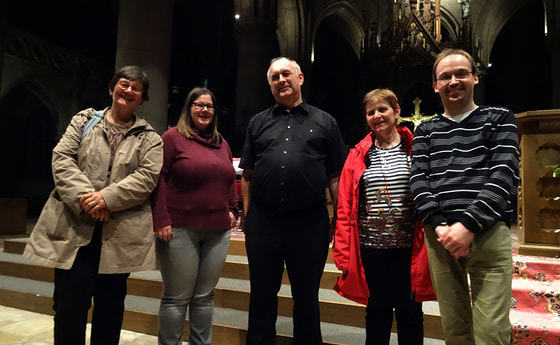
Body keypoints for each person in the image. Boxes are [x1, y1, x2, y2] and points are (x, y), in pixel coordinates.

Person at [23, 65, 164, 345]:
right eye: (124, 84)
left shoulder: (150, 138)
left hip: (118, 235)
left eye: (137, 88)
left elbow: (147, 178)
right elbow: (62, 158)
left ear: (143, 99)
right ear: (112, 88)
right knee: (68, 308)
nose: (129, 91)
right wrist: (88, 199)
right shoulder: (83, 120)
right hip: (74, 229)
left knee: (110, 311)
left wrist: (106, 198)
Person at [410, 48, 519, 345]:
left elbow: (504, 176)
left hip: (487, 231)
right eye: (445, 76)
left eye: (461, 74)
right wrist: (442, 227)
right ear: (435, 85)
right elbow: (419, 181)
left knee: (491, 332)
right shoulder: (426, 130)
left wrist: (468, 226)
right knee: (455, 330)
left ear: (475, 77)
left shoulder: (499, 118)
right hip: (440, 235)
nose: (453, 81)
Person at [239, 57, 347, 345]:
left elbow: (336, 174)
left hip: (309, 222)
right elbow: (247, 174)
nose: (280, 80)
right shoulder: (257, 122)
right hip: (264, 221)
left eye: (286, 74)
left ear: (300, 78)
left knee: (307, 298)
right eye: (274, 77)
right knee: (261, 295)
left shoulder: (325, 121)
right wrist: (248, 217)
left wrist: (340, 216)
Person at [333, 89, 435, 345]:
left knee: (410, 311)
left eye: (383, 110)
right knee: (377, 311)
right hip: (371, 249)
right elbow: (345, 206)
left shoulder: (416, 149)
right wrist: (343, 251)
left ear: (397, 111)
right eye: (371, 112)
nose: (377, 116)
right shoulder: (358, 154)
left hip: (409, 249)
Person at [150, 87, 238, 345]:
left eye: (209, 106)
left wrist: (232, 209)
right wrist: (161, 218)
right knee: (177, 298)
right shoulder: (172, 138)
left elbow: (229, 179)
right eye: (198, 105)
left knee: (204, 298)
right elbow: (159, 179)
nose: (204, 110)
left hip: (217, 232)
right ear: (188, 109)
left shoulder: (222, 143)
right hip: (179, 229)